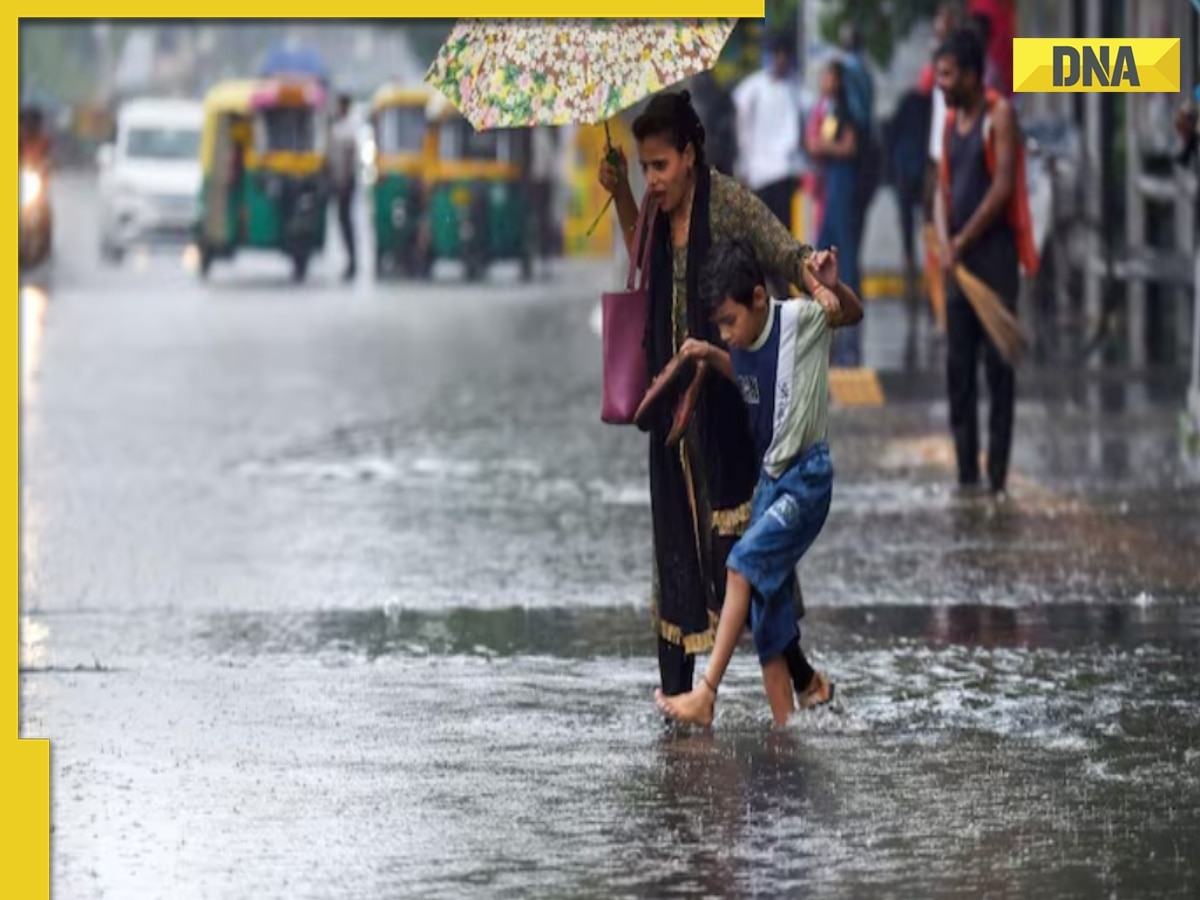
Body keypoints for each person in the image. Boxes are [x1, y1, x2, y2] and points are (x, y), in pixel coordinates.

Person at [598, 89, 829, 710]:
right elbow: (644, 262)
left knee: (741, 561)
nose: (653, 179)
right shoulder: (650, 205)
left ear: (691, 155)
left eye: (660, 166)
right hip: (671, 415)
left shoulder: (726, 203)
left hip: (725, 409)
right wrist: (622, 191)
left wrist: (817, 276)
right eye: (645, 166)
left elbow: (782, 248)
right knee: (675, 550)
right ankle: (680, 702)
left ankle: (799, 681)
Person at [654, 239, 862, 726]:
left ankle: (706, 693)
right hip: (770, 483)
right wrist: (710, 352)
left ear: (758, 299)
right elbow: (750, 377)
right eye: (719, 326)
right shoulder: (740, 344)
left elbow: (851, 314)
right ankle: (785, 731)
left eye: (729, 321)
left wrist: (834, 289)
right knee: (768, 614)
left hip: (805, 480)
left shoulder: (800, 322)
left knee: (742, 565)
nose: (728, 334)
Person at [934, 28, 1019, 497]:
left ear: (970, 74)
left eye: (947, 75)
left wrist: (961, 241)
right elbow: (947, 190)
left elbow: (1002, 186)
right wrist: (946, 241)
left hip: (994, 262)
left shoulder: (998, 114)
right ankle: (967, 475)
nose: (941, 84)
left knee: (998, 371)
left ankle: (998, 478)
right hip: (959, 267)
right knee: (958, 369)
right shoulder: (951, 124)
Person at [806, 60, 863, 366]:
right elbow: (814, 144)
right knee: (825, 240)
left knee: (843, 244)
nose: (824, 80)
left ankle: (847, 295)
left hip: (843, 183)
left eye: (828, 76)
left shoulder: (843, 110)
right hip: (829, 185)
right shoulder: (824, 109)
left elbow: (846, 147)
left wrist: (824, 146)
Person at [732, 34, 803, 233]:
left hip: (785, 170)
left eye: (785, 54)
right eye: (777, 53)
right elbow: (741, 126)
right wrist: (743, 165)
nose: (781, 58)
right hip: (759, 172)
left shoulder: (794, 87)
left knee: (783, 231)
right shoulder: (753, 88)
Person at [329, 94, 358, 281]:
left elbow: (347, 161)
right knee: (342, 222)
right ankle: (350, 261)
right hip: (339, 182)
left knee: (346, 223)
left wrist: (343, 183)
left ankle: (352, 262)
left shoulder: (348, 128)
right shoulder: (338, 126)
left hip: (345, 184)